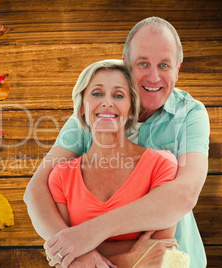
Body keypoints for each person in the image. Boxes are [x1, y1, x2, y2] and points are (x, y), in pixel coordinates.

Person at [24, 17, 210, 268]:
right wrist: (77, 254)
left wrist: (88, 234)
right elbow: (37, 190)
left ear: (177, 69)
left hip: (172, 259)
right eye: (143, 63)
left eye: (164, 65)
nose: (154, 77)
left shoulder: (190, 114)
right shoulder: (92, 116)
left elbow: (184, 195)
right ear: (126, 65)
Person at [46, 59, 179, 267]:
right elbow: (62, 254)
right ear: (82, 106)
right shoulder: (62, 176)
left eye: (118, 95)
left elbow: (160, 253)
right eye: (97, 94)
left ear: (132, 109)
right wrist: (131, 258)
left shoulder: (161, 165)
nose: (107, 102)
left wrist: (83, 252)